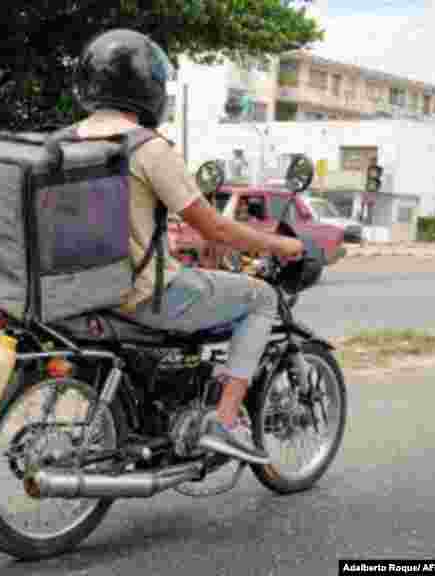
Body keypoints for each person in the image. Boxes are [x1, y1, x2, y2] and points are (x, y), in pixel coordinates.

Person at [70, 29, 304, 464]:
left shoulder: (63, 142)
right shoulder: (147, 148)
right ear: (147, 88)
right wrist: (276, 244)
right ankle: (224, 421)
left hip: (78, 293)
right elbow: (214, 227)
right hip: (138, 295)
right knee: (262, 298)